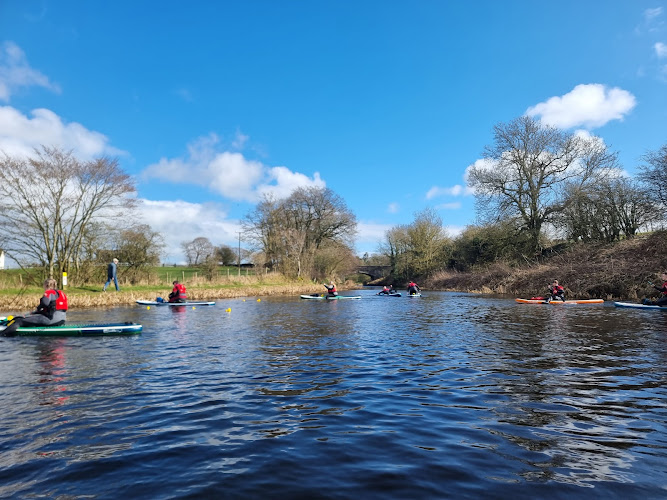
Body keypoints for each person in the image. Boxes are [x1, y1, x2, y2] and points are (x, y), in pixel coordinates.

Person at [2, 278, 68, 335]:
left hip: (50, 320)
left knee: (20, 321)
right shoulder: (61, 293)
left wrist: (37, 309)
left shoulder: (48, 292)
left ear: (46, 285)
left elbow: (45, 303)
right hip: (61, 320)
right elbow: (52, 308)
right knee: (34, 318)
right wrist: (37, 312)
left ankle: (2, 335)